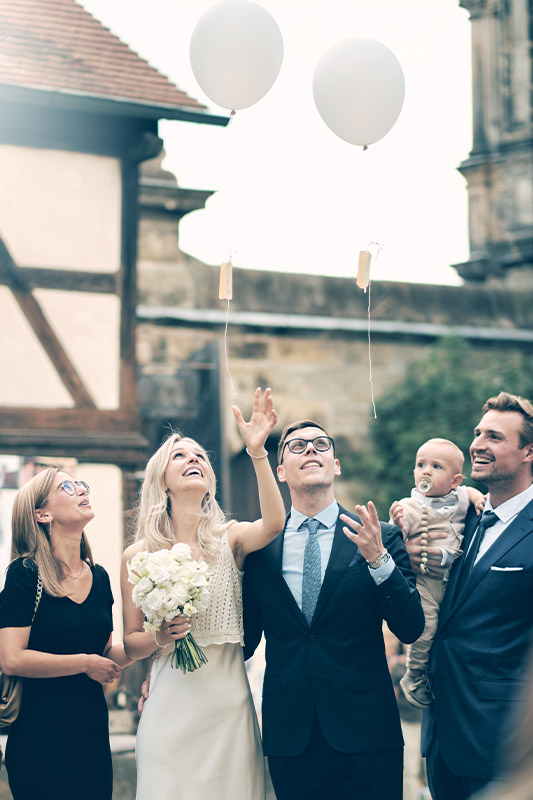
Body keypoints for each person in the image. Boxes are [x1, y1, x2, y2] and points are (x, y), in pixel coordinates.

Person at [242, 419, 425, 800]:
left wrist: (378, 559)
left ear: (336, 465)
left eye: (321, 444)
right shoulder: (260, 549)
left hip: (368, 734)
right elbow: (242, 642)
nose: (310, 449)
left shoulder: (380, 535)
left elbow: (410, 626)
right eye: (297, 446)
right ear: (280, 472)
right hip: (291, 735)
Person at [121, 387, 286, 800]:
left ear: (209, 479)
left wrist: (257, 452)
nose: (193, 458)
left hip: (228, 707)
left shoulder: (229, 539)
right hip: (168, 708)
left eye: (199, 456)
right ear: (162, 478)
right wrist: (162, 636)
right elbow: (131, 641)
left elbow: (275, 523)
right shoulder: (138, 554)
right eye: (180, 455)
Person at [405, 392, 533, 800]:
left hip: (502, 743)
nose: (477, 444)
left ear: (529, 452)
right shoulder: (467, 516)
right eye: (478, 433)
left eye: (495, 437)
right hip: (442, 739)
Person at [0, 466, 131, 800]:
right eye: (67, 487)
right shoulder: (25, 574)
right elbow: (13, 659)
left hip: (90, 733)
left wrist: (156, 639)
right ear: (42, 514)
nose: (81, 490)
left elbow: (105, 657)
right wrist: (84, 663)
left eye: (81, 484)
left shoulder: (99, 577)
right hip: (38, 734)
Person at [389, 438, 485, 708]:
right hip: (426, 581)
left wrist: (479, 498)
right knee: (427, 627)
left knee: (448, 630)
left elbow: (471, 493)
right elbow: (396, 534)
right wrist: (397, 523)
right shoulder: (410, 505)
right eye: (421, 465)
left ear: (455, 481)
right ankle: (415, 675)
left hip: (452, 581)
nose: (426, 471)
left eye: (436, 466)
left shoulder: (462, 497)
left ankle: (437, 673)